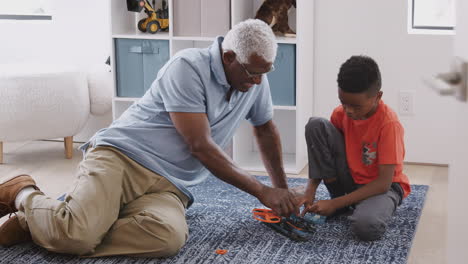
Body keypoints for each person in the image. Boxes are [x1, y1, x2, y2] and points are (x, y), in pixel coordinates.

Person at [0, 19, 300, 257]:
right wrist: (262, 191)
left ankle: (54, 223)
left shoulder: (255, 78)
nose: (259, 81)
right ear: (229, 56)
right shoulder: (188, 67)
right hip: (121, 158)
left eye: (266, 72)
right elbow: (200, 146)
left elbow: (264, 128)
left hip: (171, 185)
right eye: (252, 72)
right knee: (77, 236)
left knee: (167, 239)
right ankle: (23, 193)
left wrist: (282, 191)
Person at [299, 55, 411, 241]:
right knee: (316, 124)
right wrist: (310, 190)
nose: (349, 110)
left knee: (367, 227)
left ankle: (351, 204)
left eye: (356, 106)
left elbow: (383, 183)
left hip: (384, 187)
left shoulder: (389, 124)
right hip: (350, 180)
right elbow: (327, 154)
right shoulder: (340, 114)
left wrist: (334, 203)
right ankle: (346, 203)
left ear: (378, 96)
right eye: (343, 102)